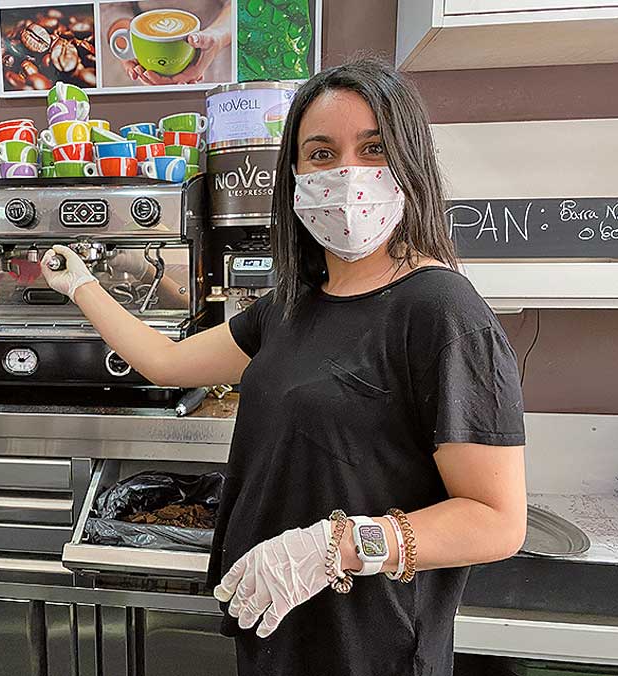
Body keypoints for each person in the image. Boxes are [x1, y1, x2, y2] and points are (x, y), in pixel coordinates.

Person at [41, 58, 527, 676]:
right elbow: (166, 362)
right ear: (294, 177)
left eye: (373, 148)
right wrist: (83, 286)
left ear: (412, 165)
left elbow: (496, 519)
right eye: (321, 153)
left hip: (369, 646)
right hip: (275, 625)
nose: (348, 174)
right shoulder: (292, 306)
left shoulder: (445, 314)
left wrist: (337, 547)